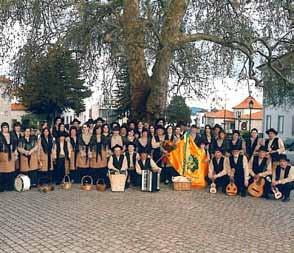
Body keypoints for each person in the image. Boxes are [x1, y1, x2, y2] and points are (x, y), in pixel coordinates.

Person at [0, 122, 18, 191]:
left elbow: (15, 144)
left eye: (6, 127)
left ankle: (10, 186)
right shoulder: (0, 135)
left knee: (10, 172)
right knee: (2, 172)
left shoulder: (11, 135)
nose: (5, 128)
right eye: (4, 127)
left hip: (11, 154)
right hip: (2, 154)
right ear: (2, 128)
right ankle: (2, 187)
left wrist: (15, 153)